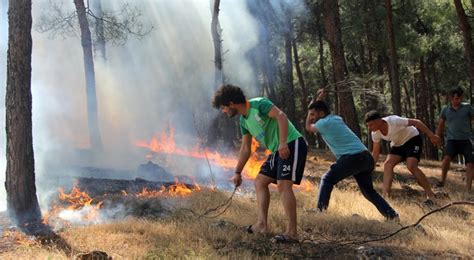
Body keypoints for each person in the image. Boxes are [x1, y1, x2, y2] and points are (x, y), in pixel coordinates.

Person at [212, 84, 307, 242]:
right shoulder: (243, 121)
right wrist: (237, 172)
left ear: (231, 104)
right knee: (260, 182)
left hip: (291, 143)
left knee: (283, 185)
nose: (223, 112)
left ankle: (292, 233)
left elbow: (281, 116)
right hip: (277, 150)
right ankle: (261, 225)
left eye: (223, 108)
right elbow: (245, 149)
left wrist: (283, 142)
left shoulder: (259, 104)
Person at [305, 93, 398, 220]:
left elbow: (308, 127)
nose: (312, 117)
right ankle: (392, 215)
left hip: (352, 158)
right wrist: (318, 101)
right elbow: (320, 110)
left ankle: (320, 211)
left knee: (327, 179)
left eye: (313, 115)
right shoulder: (336, 118)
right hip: (366, 158)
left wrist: (309, 115)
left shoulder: (322, 124)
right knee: (369, 192)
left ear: (321, 114)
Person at [364, 110, 439, 203]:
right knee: (387, 164)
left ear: (379, 121)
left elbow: (417, 122)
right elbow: (375, 152)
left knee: (411, 165)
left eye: (371, 125)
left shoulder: (394, 120)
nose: (369, 128)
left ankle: (430, 195)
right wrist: (371, 167)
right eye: (368, 125)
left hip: (412, 139)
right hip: (398, 144)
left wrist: (431, 136)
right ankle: (385, 197)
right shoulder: (375, 133)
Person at [435, 87, 473, 193]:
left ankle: (468, 189)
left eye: (460, 98)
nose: (458, 101)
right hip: (452, 140)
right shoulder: (445, 109)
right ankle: (442, 180)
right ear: (451, 98)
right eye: (456, 99)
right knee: (446, 158)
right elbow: (441, 124)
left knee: (470, 164)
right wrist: (437, 137)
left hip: (466, 140)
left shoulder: (467, 107)